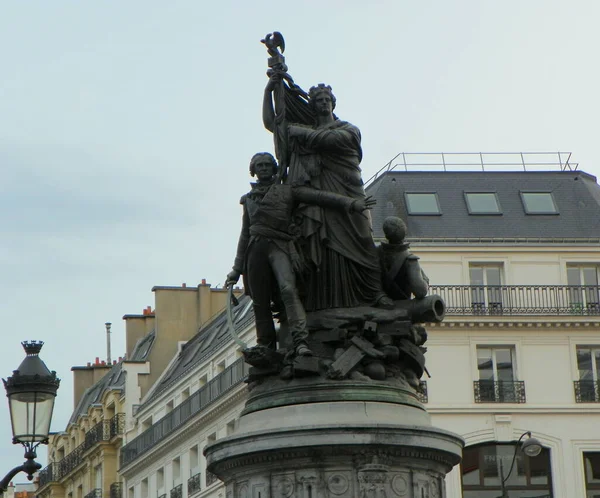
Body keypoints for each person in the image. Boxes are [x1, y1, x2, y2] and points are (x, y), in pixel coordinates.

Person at [226, 152, 375, 356]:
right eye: (259, 165)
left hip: (279, 244)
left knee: (288, 289)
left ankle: (300, 341)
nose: (263, 168)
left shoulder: (287, 190)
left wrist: (350, 203)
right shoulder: (249, 199)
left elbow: (319, 197)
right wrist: (236, 269)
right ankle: (266, 346)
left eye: (267, 164)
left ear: (275, 167)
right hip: (255, 248)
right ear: (253, 170)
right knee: (260, 301)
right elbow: (244, 235)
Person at [263, 79, 392, 310]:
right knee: (326, 246)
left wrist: (298, 131)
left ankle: (375, 293)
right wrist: (270, 89)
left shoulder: (348, 129)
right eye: (319, 101)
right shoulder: (306, 136)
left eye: (327, 100)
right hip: (321, 196)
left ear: (333, 103)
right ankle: (329, 301)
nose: (324, 104)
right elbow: (273, 124)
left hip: (350, 191)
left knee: (363, 240)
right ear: (313, 105)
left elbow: (329, 140)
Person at [377, 217, 429, 300]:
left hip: (379, 304)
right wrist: (426, 280)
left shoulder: (376, 253)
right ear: (404, 233)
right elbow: (420, 292)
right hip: (402, 308)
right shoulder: (410, 260)